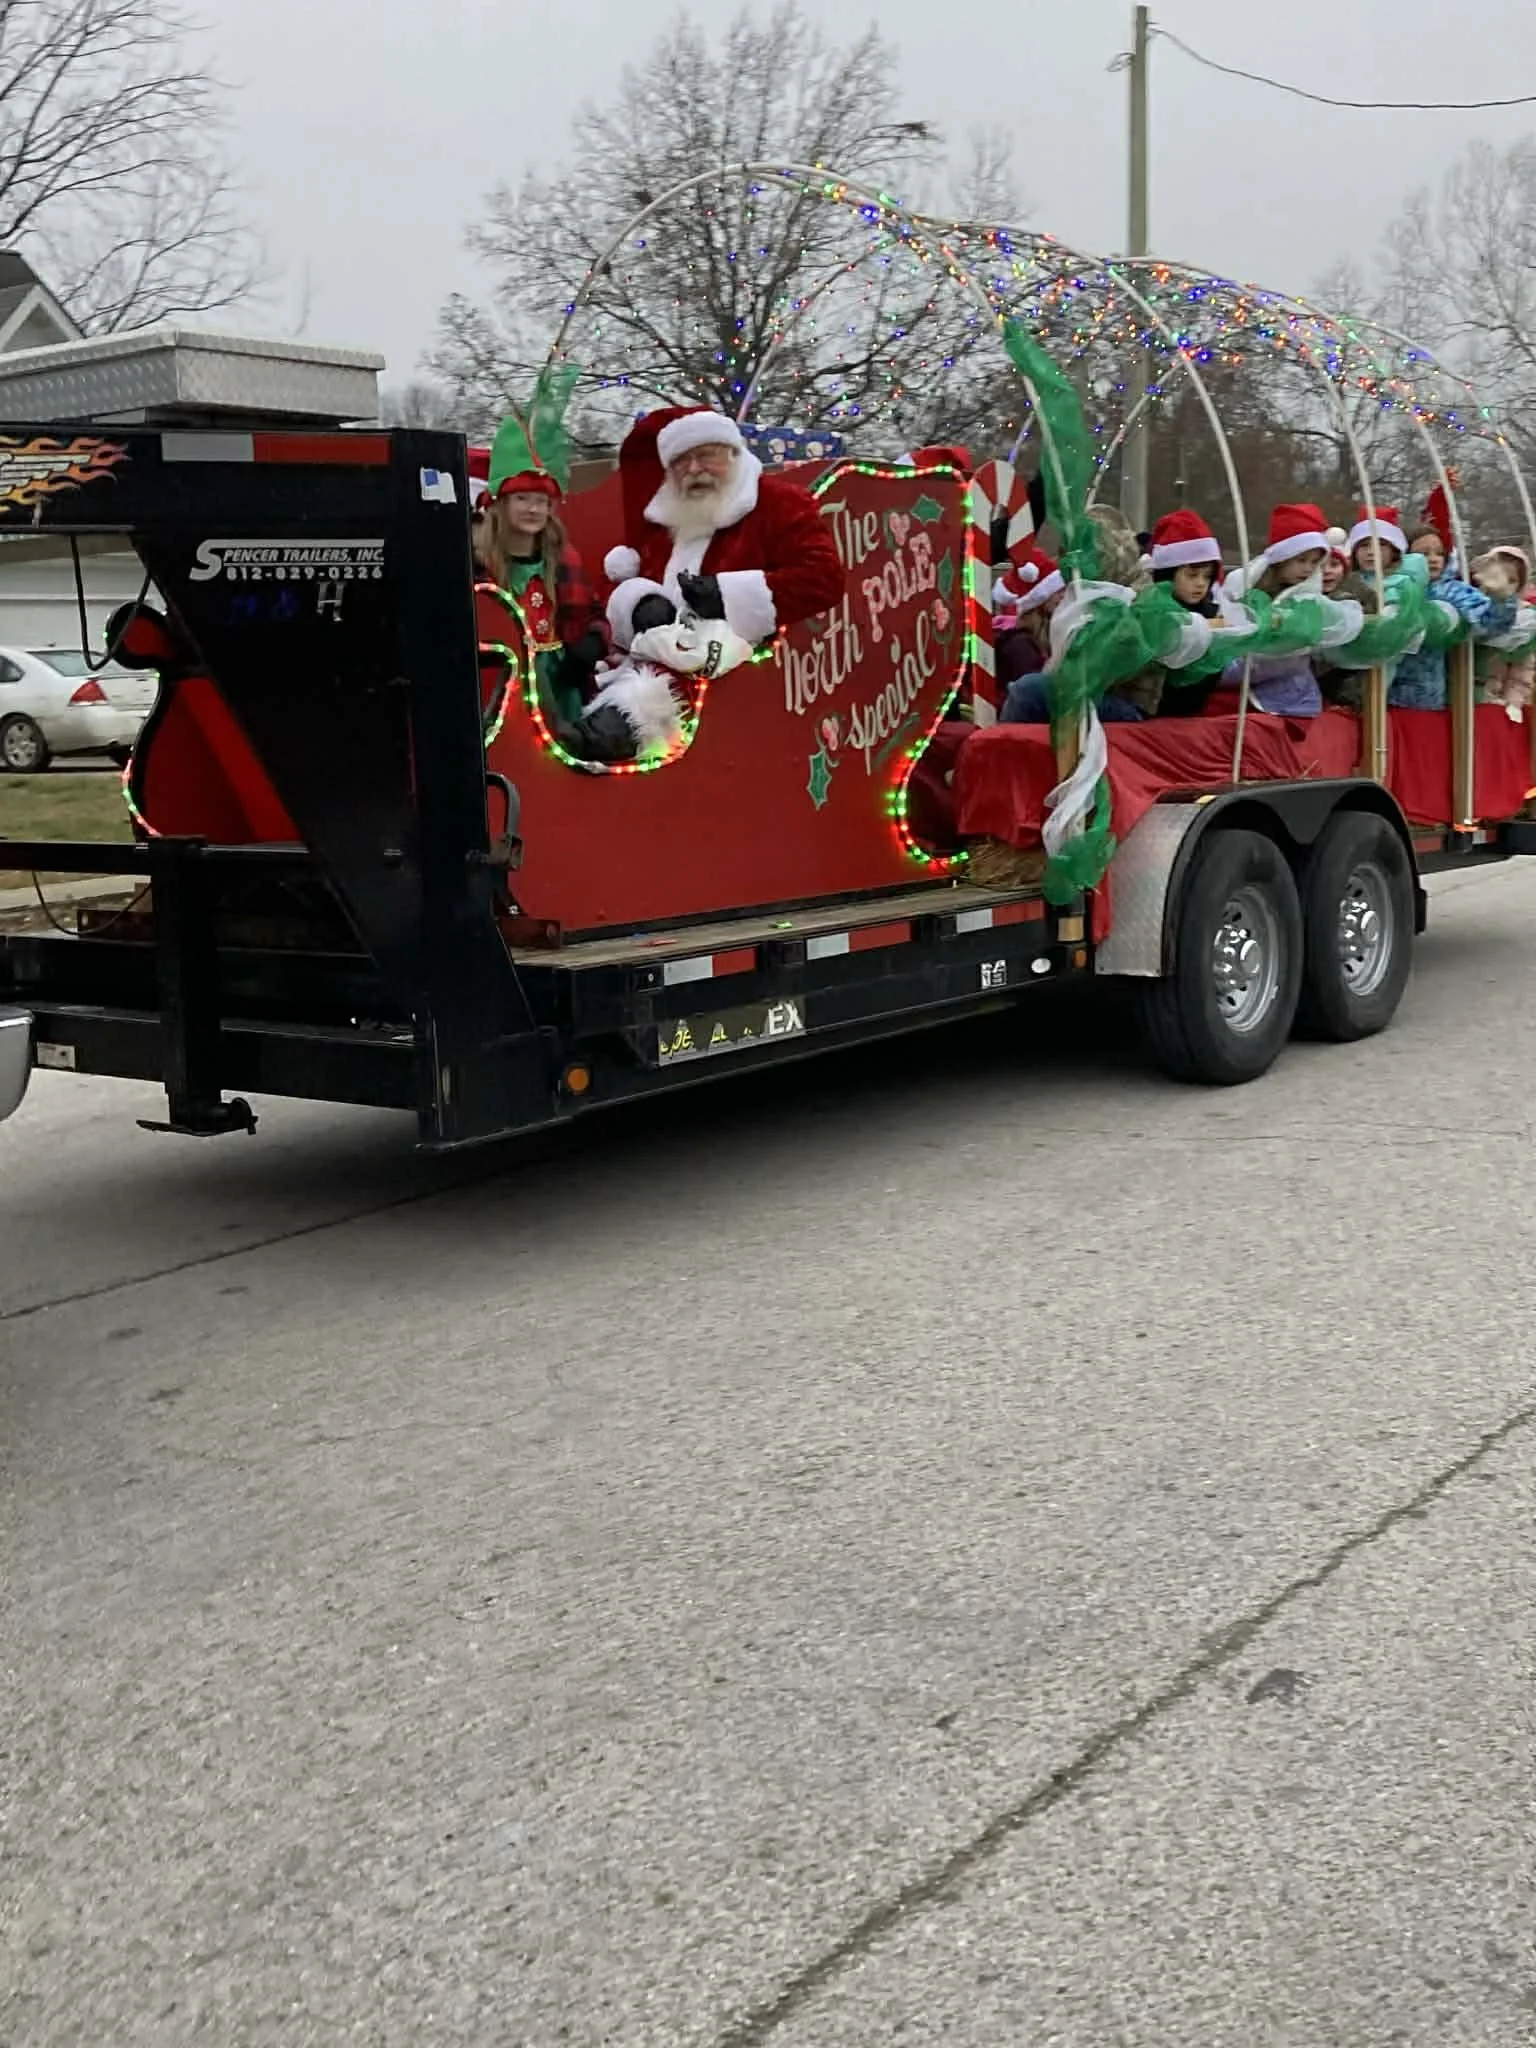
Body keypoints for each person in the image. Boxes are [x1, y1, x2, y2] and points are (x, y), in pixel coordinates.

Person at [603, 406, 844, 648]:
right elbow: (618, 587)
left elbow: (824, 578)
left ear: (733, 453)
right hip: (665, 668)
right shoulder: (661, 518)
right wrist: (640, 604)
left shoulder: (777, 502)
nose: (694, 469)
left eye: (706, 455)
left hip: (750, 673)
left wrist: (726, 596)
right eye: (681, 461)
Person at [478, 375, 608, 728]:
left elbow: (595, 612)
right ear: (500, 504)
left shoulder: (563, 559)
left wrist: (592, 642)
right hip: (506, 688)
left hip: (562, 682)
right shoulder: (478, 567)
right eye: (522, 499)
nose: (533, 509)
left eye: (541, 501)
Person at [1220, 503, 1334, 718]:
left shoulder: (1306, 604)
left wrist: (1216, 673)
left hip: (1287, 703)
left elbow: (1279, 660)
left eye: (1314, 562)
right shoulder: (1242, 585)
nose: (1309, 568)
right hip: (1243, 686)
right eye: (1301, 560)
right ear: (1282, 557)